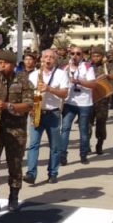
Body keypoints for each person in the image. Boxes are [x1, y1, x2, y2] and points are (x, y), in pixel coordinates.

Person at [0, 50, 33, 213]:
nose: (1, 65)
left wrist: (7, 106)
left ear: (12, 64)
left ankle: (13, 197)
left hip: (16, 128)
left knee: (15, 164)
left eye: (5, 62)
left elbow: (29, 104)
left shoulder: (24, 80)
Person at [24, 49, 70, 185]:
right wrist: (30, 108)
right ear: (41, 59)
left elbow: (65, 94)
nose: (48, 59)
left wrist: (49, 88)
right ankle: (31, 173)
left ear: (55, 60)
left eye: (51, 57)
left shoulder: (61, 74)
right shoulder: (33, 75)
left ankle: (53, 173)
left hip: (53, 113)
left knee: (55, 146)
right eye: (45, 57)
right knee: (33, 145)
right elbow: (26, 94)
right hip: (36, 112)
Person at [60, 46, 96, 166]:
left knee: (83, 130)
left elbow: (92, 84)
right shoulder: (65, 67)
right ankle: (62, 156)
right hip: (69, 103)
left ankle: (83, 154)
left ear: (82, 55)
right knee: (65, 128)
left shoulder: (87, 66)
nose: (75, 56)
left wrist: (79, 81)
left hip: (84, 103)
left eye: (78, 54)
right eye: (72, 53)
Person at [88, 46, 113, 156]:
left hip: (102, 99)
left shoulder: (108, 66)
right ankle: (86, 144)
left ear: (102, 57)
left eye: (98, 56)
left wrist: (108, 75)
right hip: (88, 99)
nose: (96, 58)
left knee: (101, 122)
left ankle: (99, 144)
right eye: (94, 56)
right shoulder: (87, 66)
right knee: (87, 123)